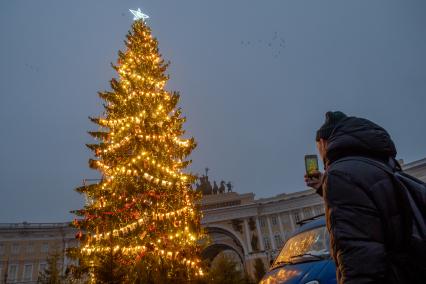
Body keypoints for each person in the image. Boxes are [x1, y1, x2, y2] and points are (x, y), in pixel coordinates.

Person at [305, 111, 420, 283]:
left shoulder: (340, 175)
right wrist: (325, 188)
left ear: (324, 142)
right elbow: (372, 210)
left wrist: (332, 184)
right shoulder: (382, 164)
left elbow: (358, 255)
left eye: (318, 146)